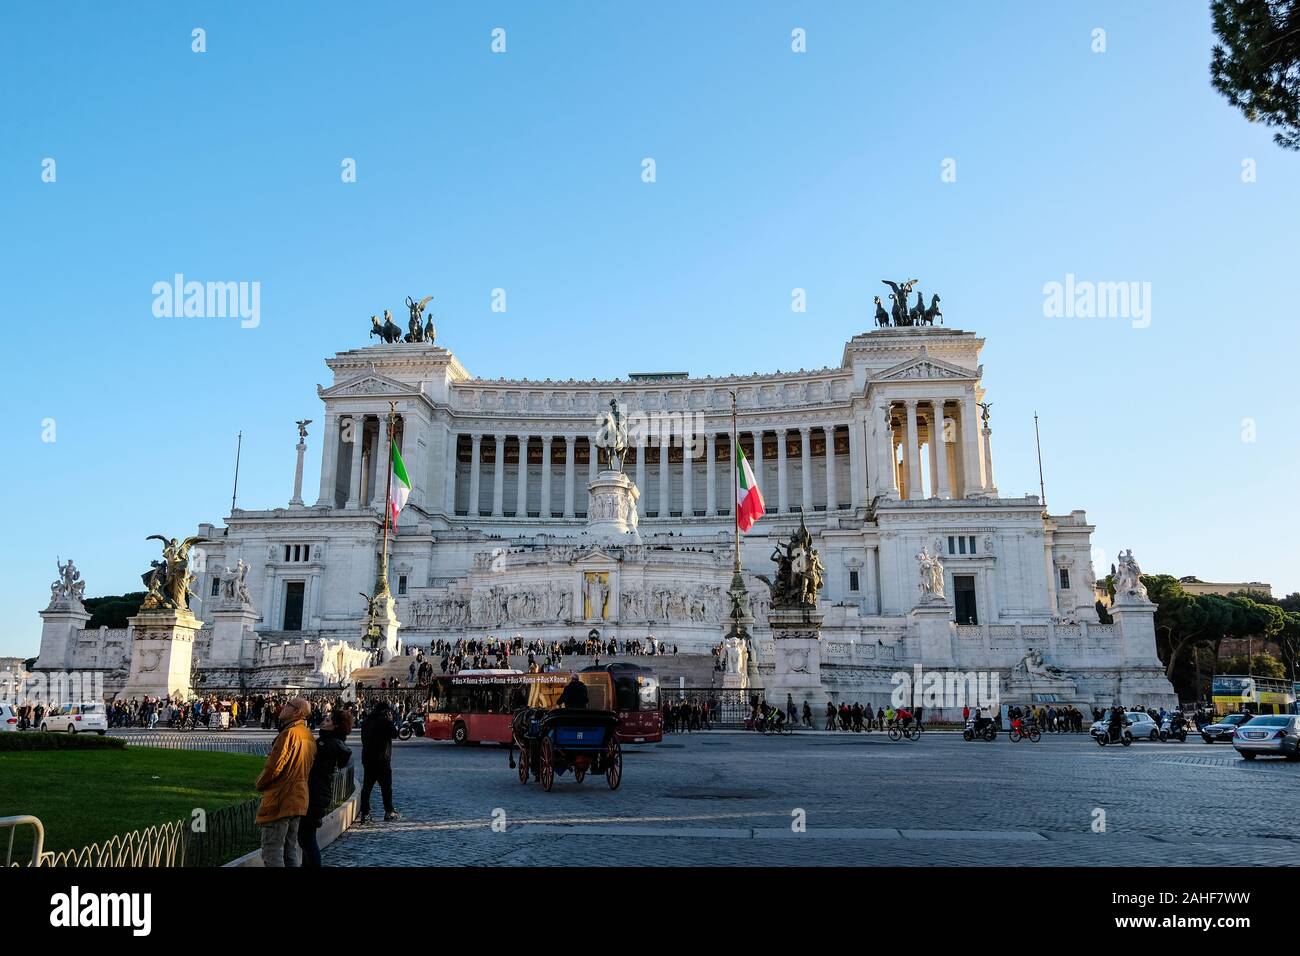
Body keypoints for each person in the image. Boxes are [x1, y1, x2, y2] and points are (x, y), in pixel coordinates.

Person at [254, 697, 316, 867]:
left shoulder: (289, 734)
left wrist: (260, 783)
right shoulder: (308, 736)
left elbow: (275, 767)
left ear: (297, 712)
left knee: (271, 849)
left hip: (281, 797)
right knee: (290, 850)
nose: (283, 707)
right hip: (299, 798)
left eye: (288, 705)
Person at [299, 710, 353, 866]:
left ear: (335, 726)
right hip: (319, 792)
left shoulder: (326, 744)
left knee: (307, 839)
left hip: (314, 793)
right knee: (306, 838)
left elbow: (311, 766)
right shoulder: (331, 743)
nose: (324, 721)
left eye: (328, 720)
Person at [359, 702, 400, 824]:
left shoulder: (366, 720)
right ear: (386, 711)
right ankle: (389, 811)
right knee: (386, 787)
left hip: (367, 757)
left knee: (367, 787)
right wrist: (391, 720)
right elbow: (395, 734)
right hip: (382, 759)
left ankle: (365, 814)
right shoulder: (385, 721)